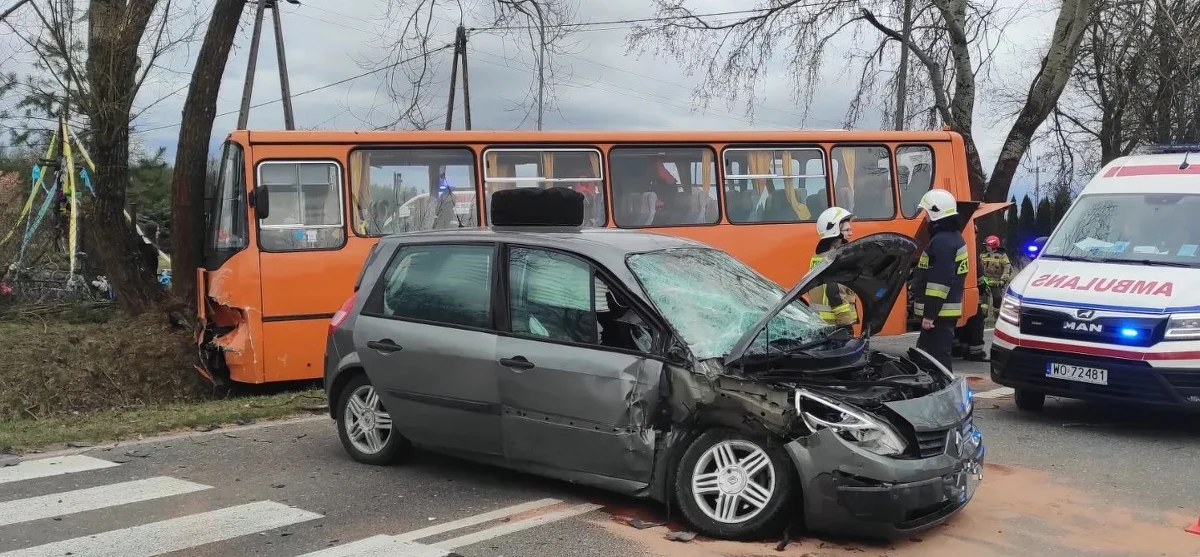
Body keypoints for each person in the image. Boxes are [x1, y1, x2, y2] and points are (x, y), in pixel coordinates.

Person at [911, 189, 968, 371]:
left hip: (939, 314)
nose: (924, 216)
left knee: (937, 359)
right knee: (928, 356)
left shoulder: (942, 241)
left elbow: (940, 281)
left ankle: (943, 393)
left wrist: (930, 314)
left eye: (926, 212)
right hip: (942, 312)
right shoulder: (952, 238)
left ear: (935, 213)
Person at [806, 207, 858, 328]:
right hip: (835, 324)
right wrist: (846, 324)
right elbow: (834, 292)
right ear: (835, 231)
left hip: (820, 323)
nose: (851, 233)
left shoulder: (818, 256)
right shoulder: (835, 258)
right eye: (847, 230)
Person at [953, 223, 989, 361]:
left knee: (959, 321)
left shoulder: (954, 244)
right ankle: (975, 352)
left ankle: (958, 348)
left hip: (956, 293)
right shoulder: (969, 249)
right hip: (970, 292)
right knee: (976, 320)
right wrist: (983, 285)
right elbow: (978, 276)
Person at [980, 234, 1013, 315]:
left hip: (997, 283)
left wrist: (1003, 280)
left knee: (997, 300)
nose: (986, 247)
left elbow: (1007, 268)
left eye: (988, 245)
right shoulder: (982, 255)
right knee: (983, 303)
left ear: (993, 245)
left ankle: (997, 317)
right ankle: (982, 317)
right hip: (984, 283)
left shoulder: (1002, 255)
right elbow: (978, 268)